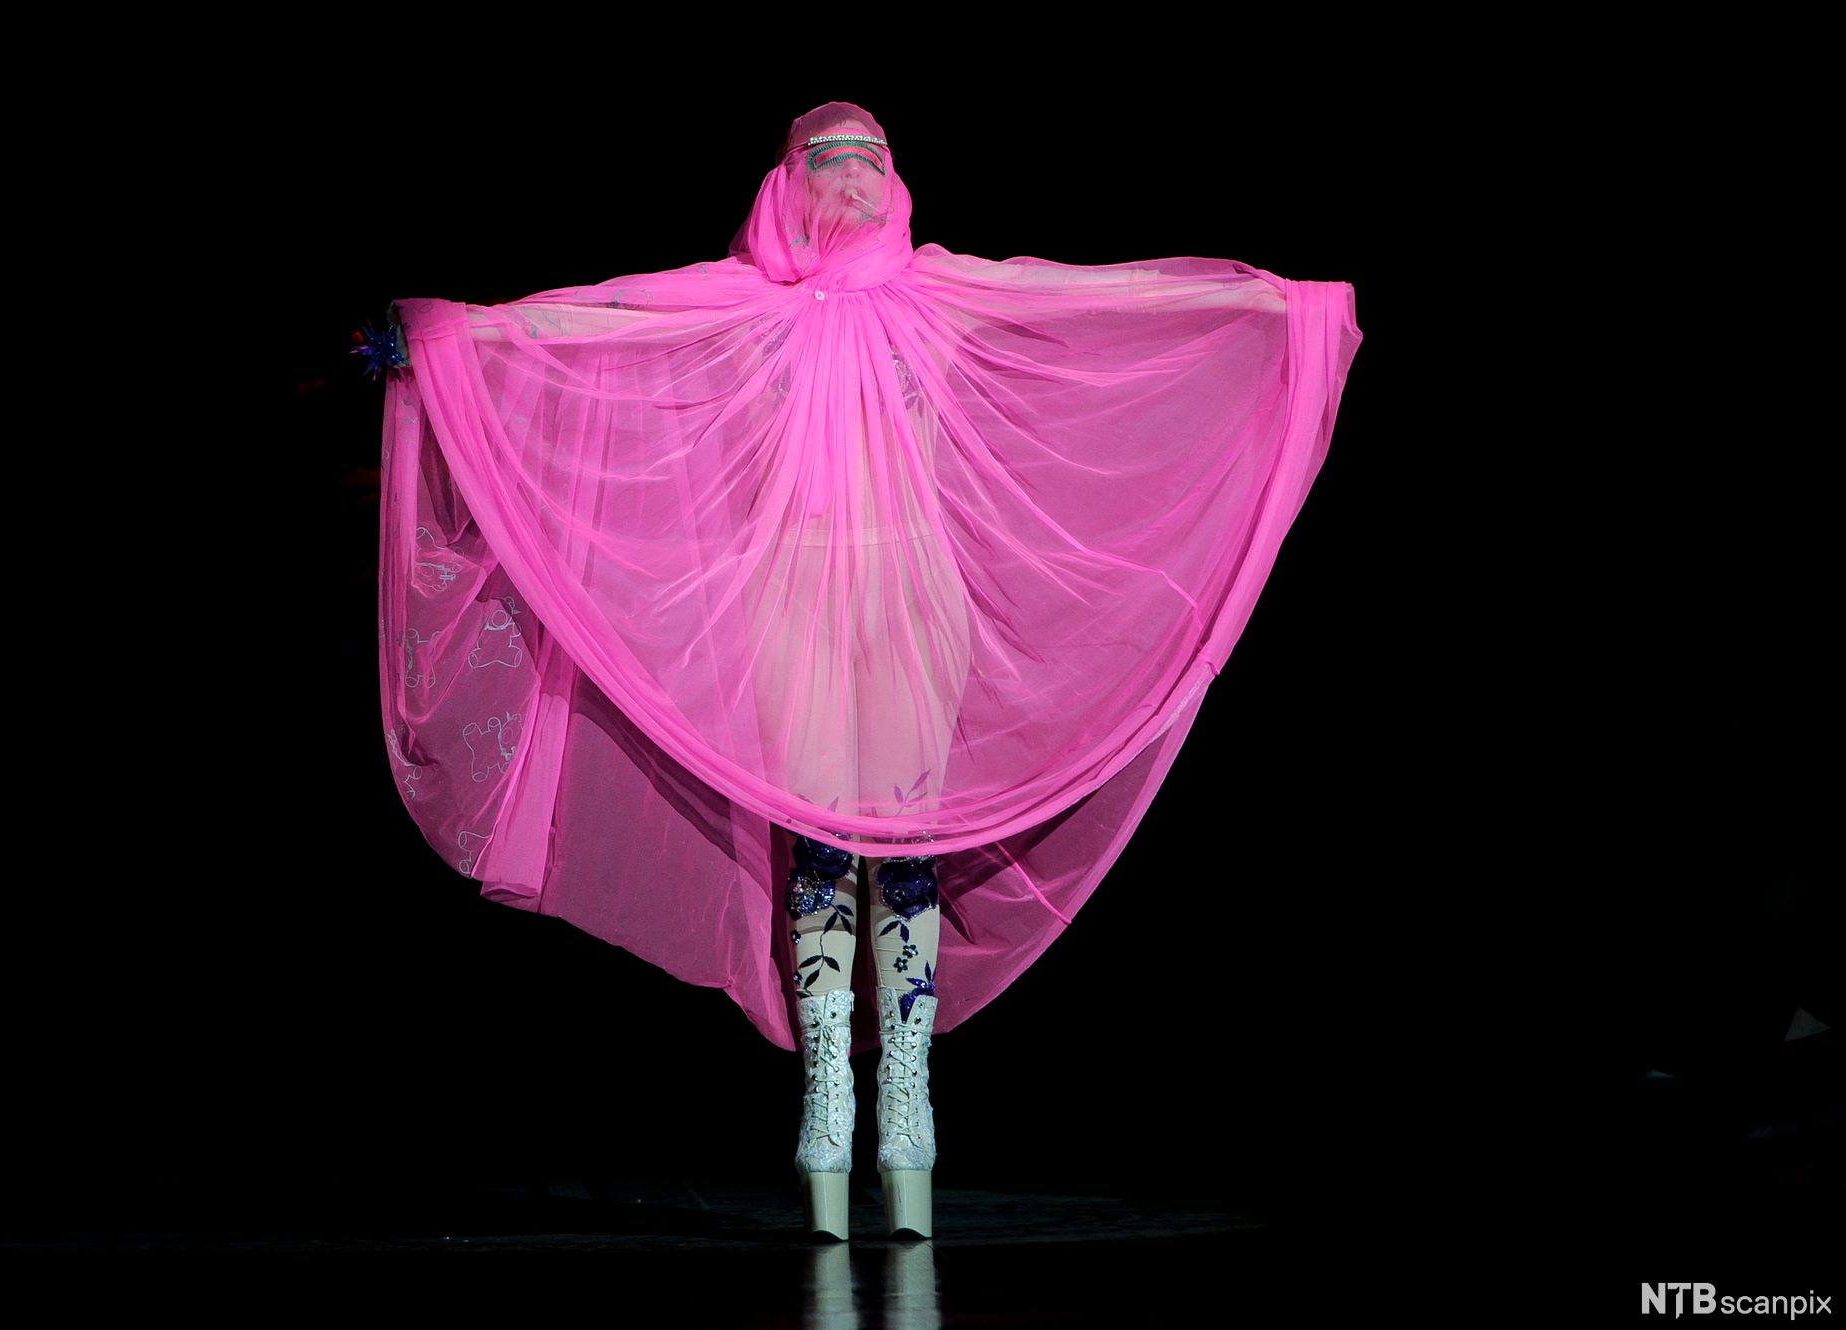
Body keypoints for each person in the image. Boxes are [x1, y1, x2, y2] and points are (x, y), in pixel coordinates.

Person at [374, 101, 1363, 1240]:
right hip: (794, 596)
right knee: (821, 841)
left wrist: (1271, 309)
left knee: (900, 842)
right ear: (785, 184)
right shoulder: (744, 305)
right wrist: (457, 340)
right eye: (827, 163)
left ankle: (905, 1093)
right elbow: (603, 326)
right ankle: (826, 1097)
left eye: (869, 163)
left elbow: (1097, 300)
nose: (850, 184)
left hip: (908, 599)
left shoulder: (935, 292)